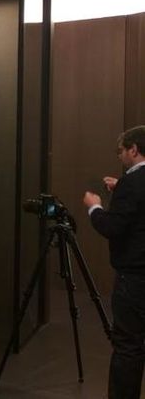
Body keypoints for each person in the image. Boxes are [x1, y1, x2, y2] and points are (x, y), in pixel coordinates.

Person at [83, 125, 145, 398]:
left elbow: (112, 227)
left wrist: (94, 207)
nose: (118, 156)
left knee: (128, 345)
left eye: (120, 151)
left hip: (134, 277)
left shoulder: (131, 183)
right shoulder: (131, 183)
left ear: (134, 149)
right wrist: (121, 188)